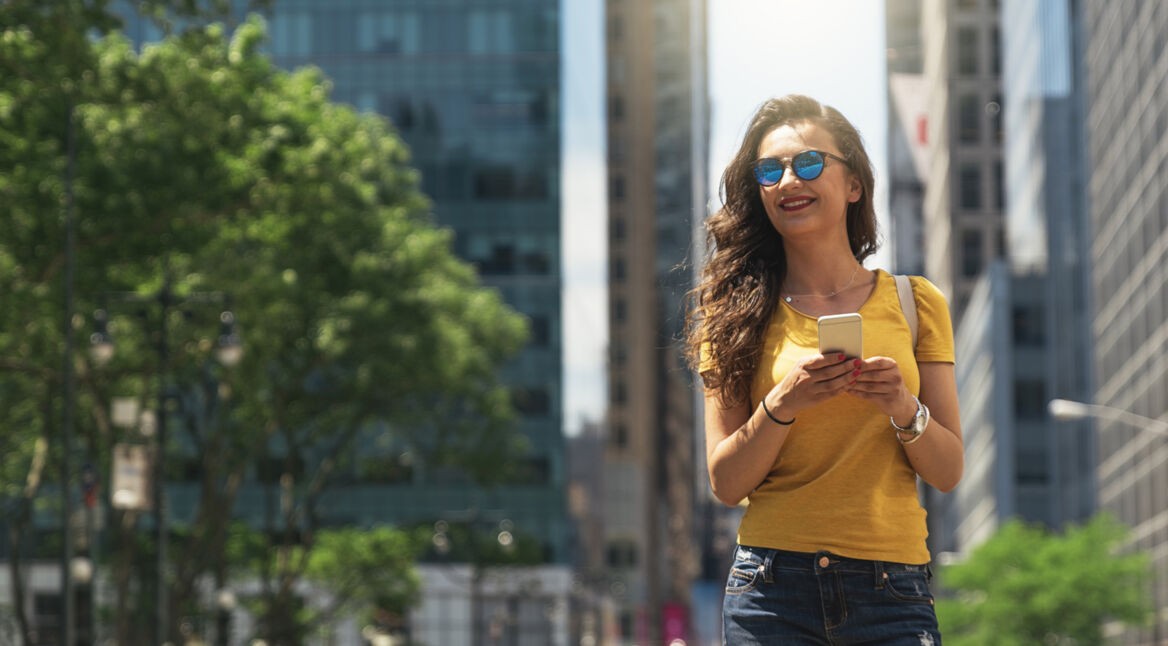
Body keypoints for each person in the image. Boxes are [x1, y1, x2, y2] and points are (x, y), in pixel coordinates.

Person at [685, 94, 963, 644]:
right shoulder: (732, 315)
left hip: (893, 589)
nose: (789, 180)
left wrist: (902, 408)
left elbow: (948, 470)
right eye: (770, 170)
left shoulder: (915, 301)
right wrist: (781, 405)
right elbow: (726, 481)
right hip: (770, 590)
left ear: (854, 184)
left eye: (809, 162)